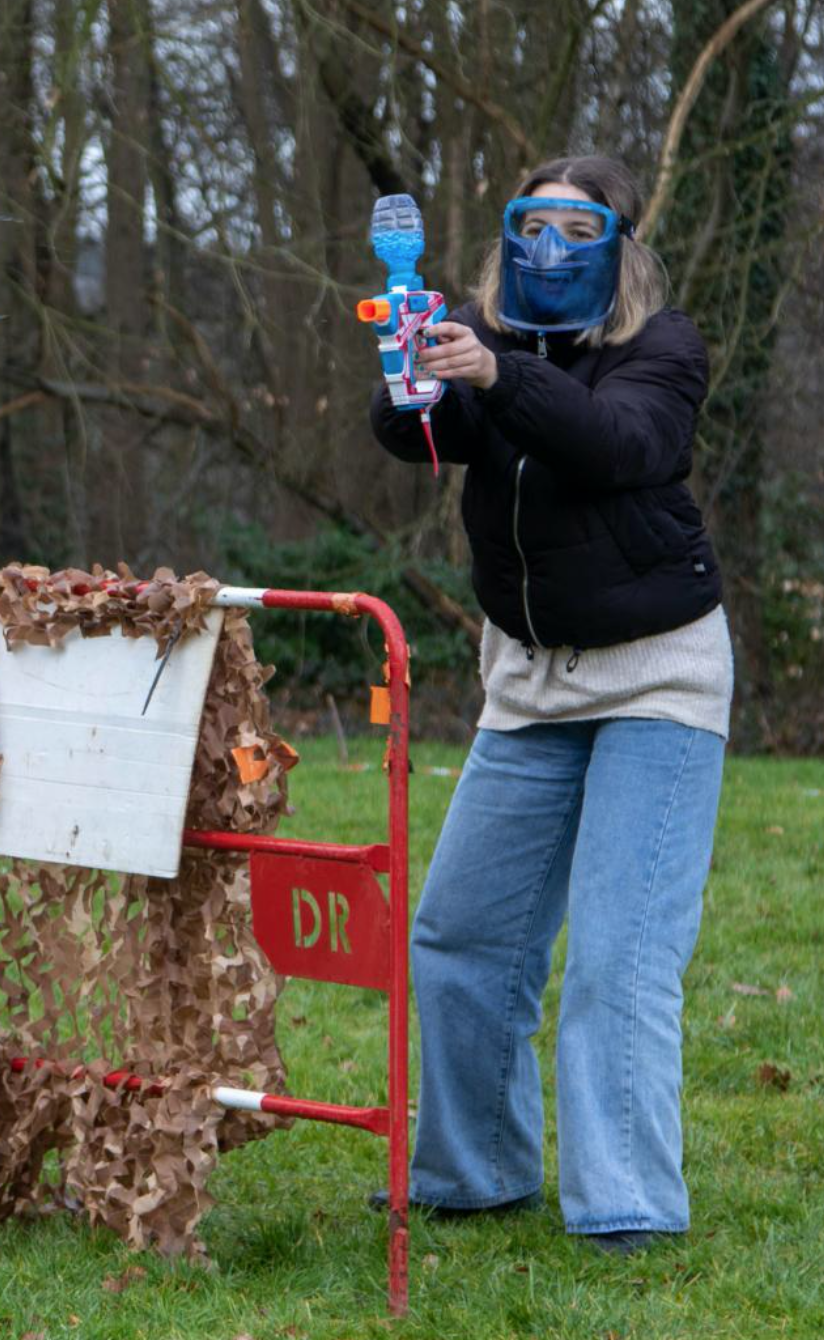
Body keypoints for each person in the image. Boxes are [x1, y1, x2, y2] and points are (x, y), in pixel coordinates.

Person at [367, 155, 729, 1255]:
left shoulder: (663, 348)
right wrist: (411, 368)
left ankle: (627, 1208)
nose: (552, 249)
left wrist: (497, 371)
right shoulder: (488, 338)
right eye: (536, 228)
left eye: (580, 230)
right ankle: (471, 1175)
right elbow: (426, 442)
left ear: (618, 247)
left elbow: (621, 445)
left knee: (619, 955)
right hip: (527, 681)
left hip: (657, 677)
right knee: (461, 935)